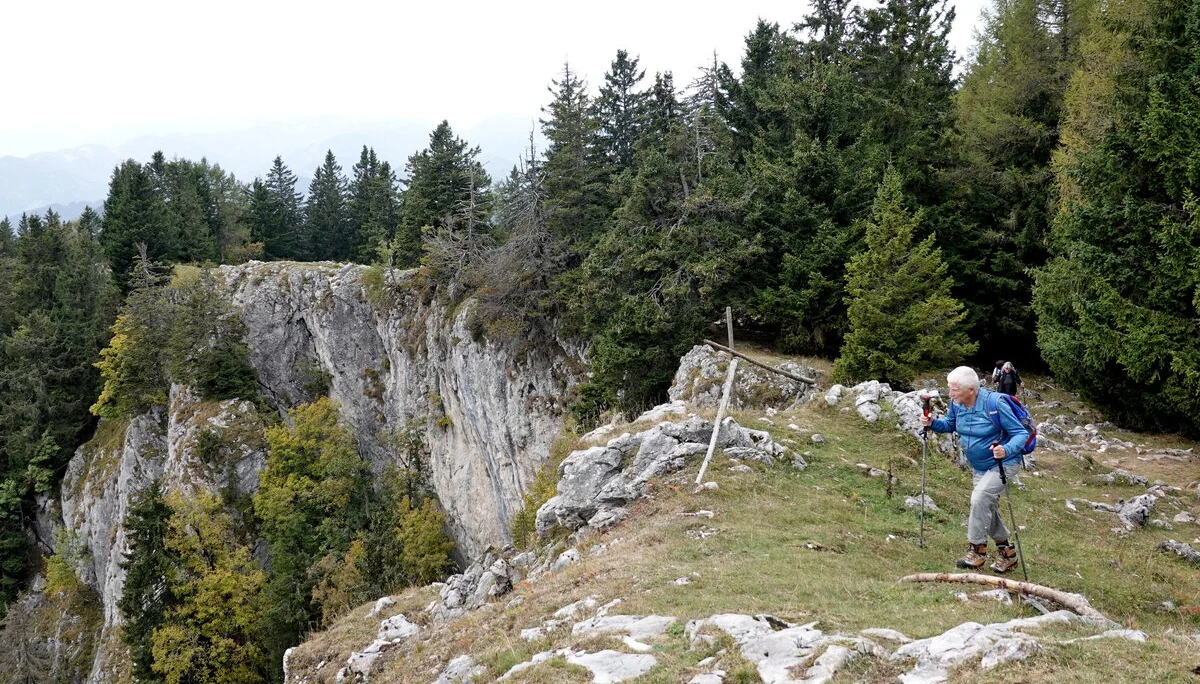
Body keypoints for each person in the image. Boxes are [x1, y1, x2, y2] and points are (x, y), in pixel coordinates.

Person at [919, 366, 1029, 573]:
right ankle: (1007, 554)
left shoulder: (995, 403)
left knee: (979, 499)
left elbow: (1020, 433)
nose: (950, 394)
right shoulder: (957, 404)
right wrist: (932, 423)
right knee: (986, 505)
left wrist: (1005, 449)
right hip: (978, 466)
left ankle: (977, 551)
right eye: (950, 389)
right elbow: (950, 425)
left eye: (954, 389)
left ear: (971, 389)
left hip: (1003, 463)